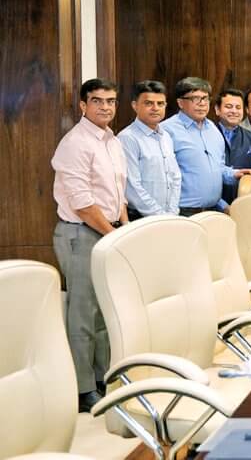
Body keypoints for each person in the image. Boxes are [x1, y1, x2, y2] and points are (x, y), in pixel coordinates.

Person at [51, 78, 127, 411]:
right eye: (98, 101)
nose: (105, 107)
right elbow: (82, 203)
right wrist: (113, 234)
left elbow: (118, 194)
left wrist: (124, 228)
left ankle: (102, 377)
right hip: (80, 233)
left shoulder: (112, 141)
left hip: (107, 231)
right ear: (83, 105)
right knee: (82, 314)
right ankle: (83, 390)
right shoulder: (74, 143)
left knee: (104, 311)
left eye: (110, 101)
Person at [163, 77, 251, 215]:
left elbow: (218, 167)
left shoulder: (213, 129)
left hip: (214, 209)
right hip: (182, 212)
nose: (202, 104)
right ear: (180, 103)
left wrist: (234, 174)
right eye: (195, 98)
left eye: (205, 98)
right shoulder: (166, 130)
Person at [118, 80, 181, 219]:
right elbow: (132, 186)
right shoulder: (127, 138)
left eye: (160, 103)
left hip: (169, 216)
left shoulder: (166, 136)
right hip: (141, 217)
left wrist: (171, 213)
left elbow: (175, 177)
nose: (155, 108)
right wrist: (161, 216)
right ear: (135, 106)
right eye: (148, 103)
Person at [215, 87, 251, 204]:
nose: (234, 111)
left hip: (245, 205)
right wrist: (221, 205)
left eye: (238, 107)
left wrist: (245, 204)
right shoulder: (208, 136)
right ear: (217, 109)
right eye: (229, 106)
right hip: (212, 205)